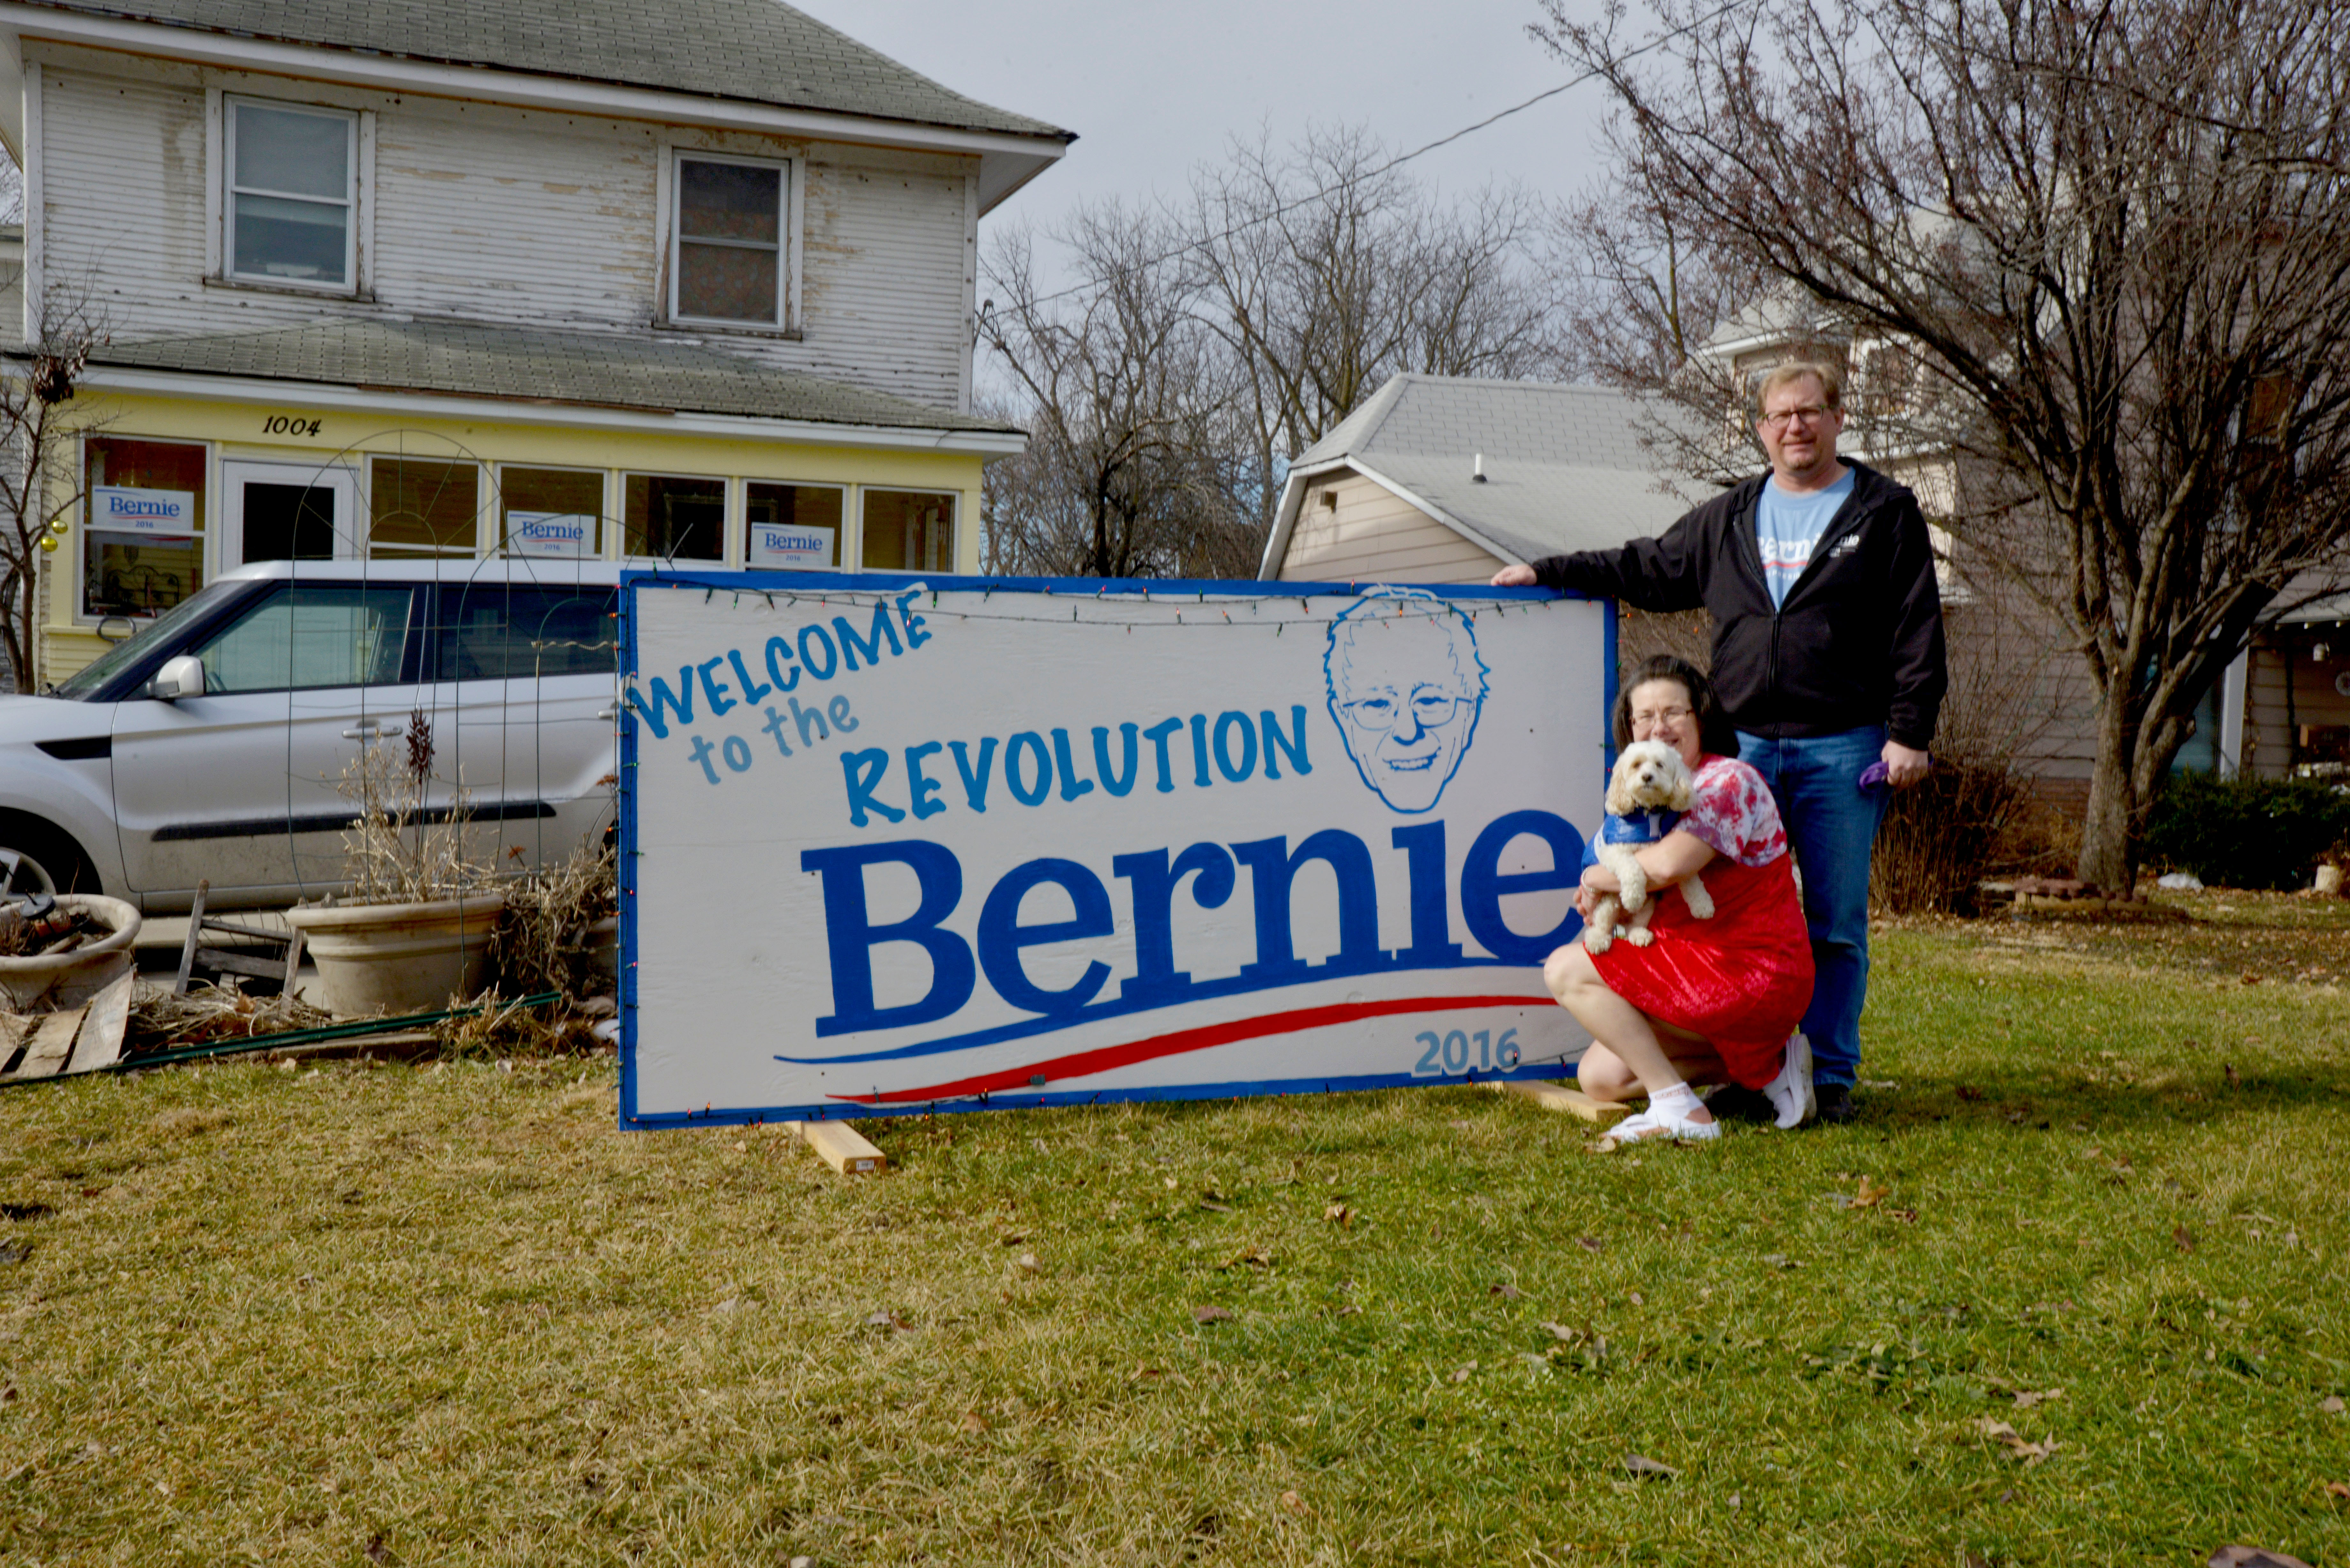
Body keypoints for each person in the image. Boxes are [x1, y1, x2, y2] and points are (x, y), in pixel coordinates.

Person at [1493, 362, 1945, 1123]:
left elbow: (1915, 623)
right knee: (1712, 920)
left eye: (1809, 411)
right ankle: (1755, 1064)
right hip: (1739, 753)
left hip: (1840, 746)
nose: (1794, 426)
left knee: (1833, 923)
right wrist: (1549, 570)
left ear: (1838, 418)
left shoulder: (1882, 511)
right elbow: (1648, 565)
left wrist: (1909, 731)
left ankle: (1829, 1075)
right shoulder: (1733, 515)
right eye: (1779, 415)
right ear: (1761, 429)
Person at [1543, 658, 1817, 1140]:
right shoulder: (1645, 799)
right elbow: (1626, 872)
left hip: (1749, 969)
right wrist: (1601, 884)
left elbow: (1668, 868)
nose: (1658, 727)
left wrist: (1596, 878)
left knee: (1566, 969)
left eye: (1673, 713)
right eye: (1643, 717)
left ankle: (1681, 1111)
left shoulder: (1728, 781)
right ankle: (1771, 1066)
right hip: (1695, 966)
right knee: (1602, 1079)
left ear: (1701, 719)